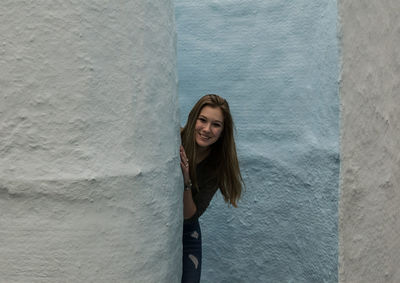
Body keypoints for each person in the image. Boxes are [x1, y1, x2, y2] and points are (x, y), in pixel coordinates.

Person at [180, 94, 244, 283]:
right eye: (203, 120)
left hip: (187, 230)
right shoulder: (174, 141)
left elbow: (190, 215)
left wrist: (186, 180)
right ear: (194, 119)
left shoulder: (217, 166)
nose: (207, 129)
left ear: (223, 130)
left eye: (216, 125)